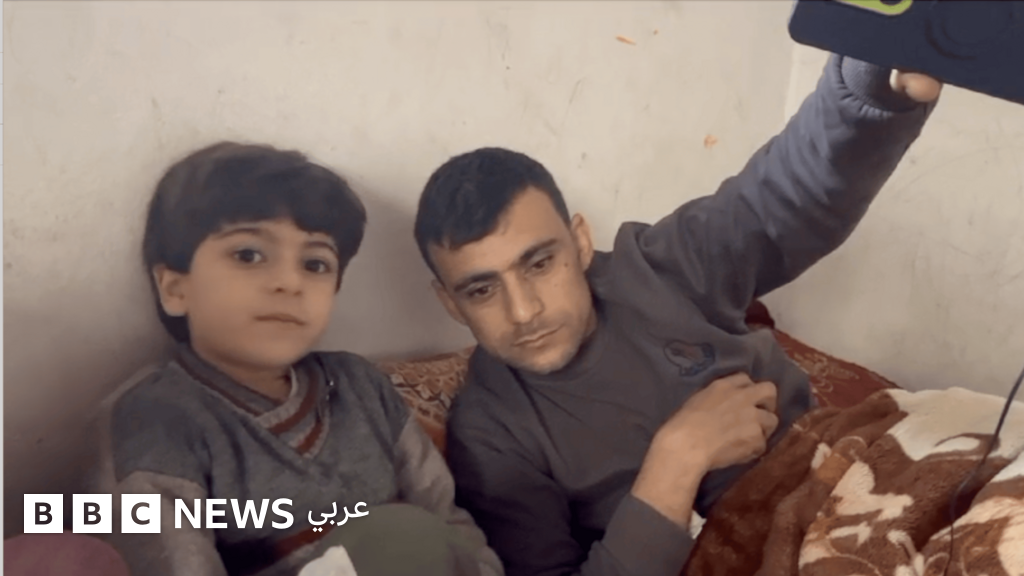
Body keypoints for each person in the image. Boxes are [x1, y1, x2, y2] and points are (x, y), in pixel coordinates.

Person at [412, 54, 942, 576]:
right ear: (450, 303)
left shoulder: (661, 268)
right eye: (482, 290)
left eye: (540, 263)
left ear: (580, 242)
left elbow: (778, 202)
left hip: (848, 468)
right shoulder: (491, 436)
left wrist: (871, 85)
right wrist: (679, 458)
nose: (524, 310)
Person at [97, 142, 503, 576]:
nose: (290, 282)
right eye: (249, 255)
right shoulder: (159, 419)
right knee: (395, 535)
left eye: (315, 264)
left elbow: (446, 518)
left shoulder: (360, 385)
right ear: (174, 288)